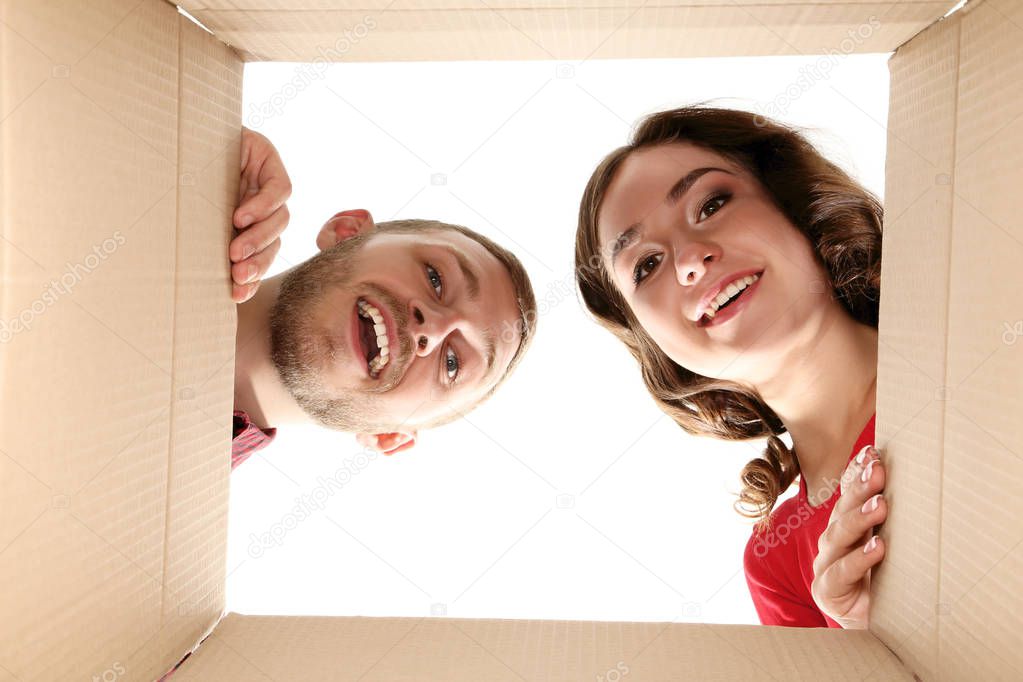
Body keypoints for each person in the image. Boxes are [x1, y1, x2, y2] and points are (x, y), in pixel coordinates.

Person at [573, 105, 887, 629]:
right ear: (654, 342)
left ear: (792, 204)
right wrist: (873, 644)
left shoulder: (976, 344)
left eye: (711, 203)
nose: (690, 259)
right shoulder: (779, 566)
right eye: (646, 265)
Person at [228, 130, 537, 467]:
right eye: (435, 278)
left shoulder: (177, 506)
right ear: (348, 232)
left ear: (390, 435)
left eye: (452, 363)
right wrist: (209, 147)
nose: (433, 327)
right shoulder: (202, 171)